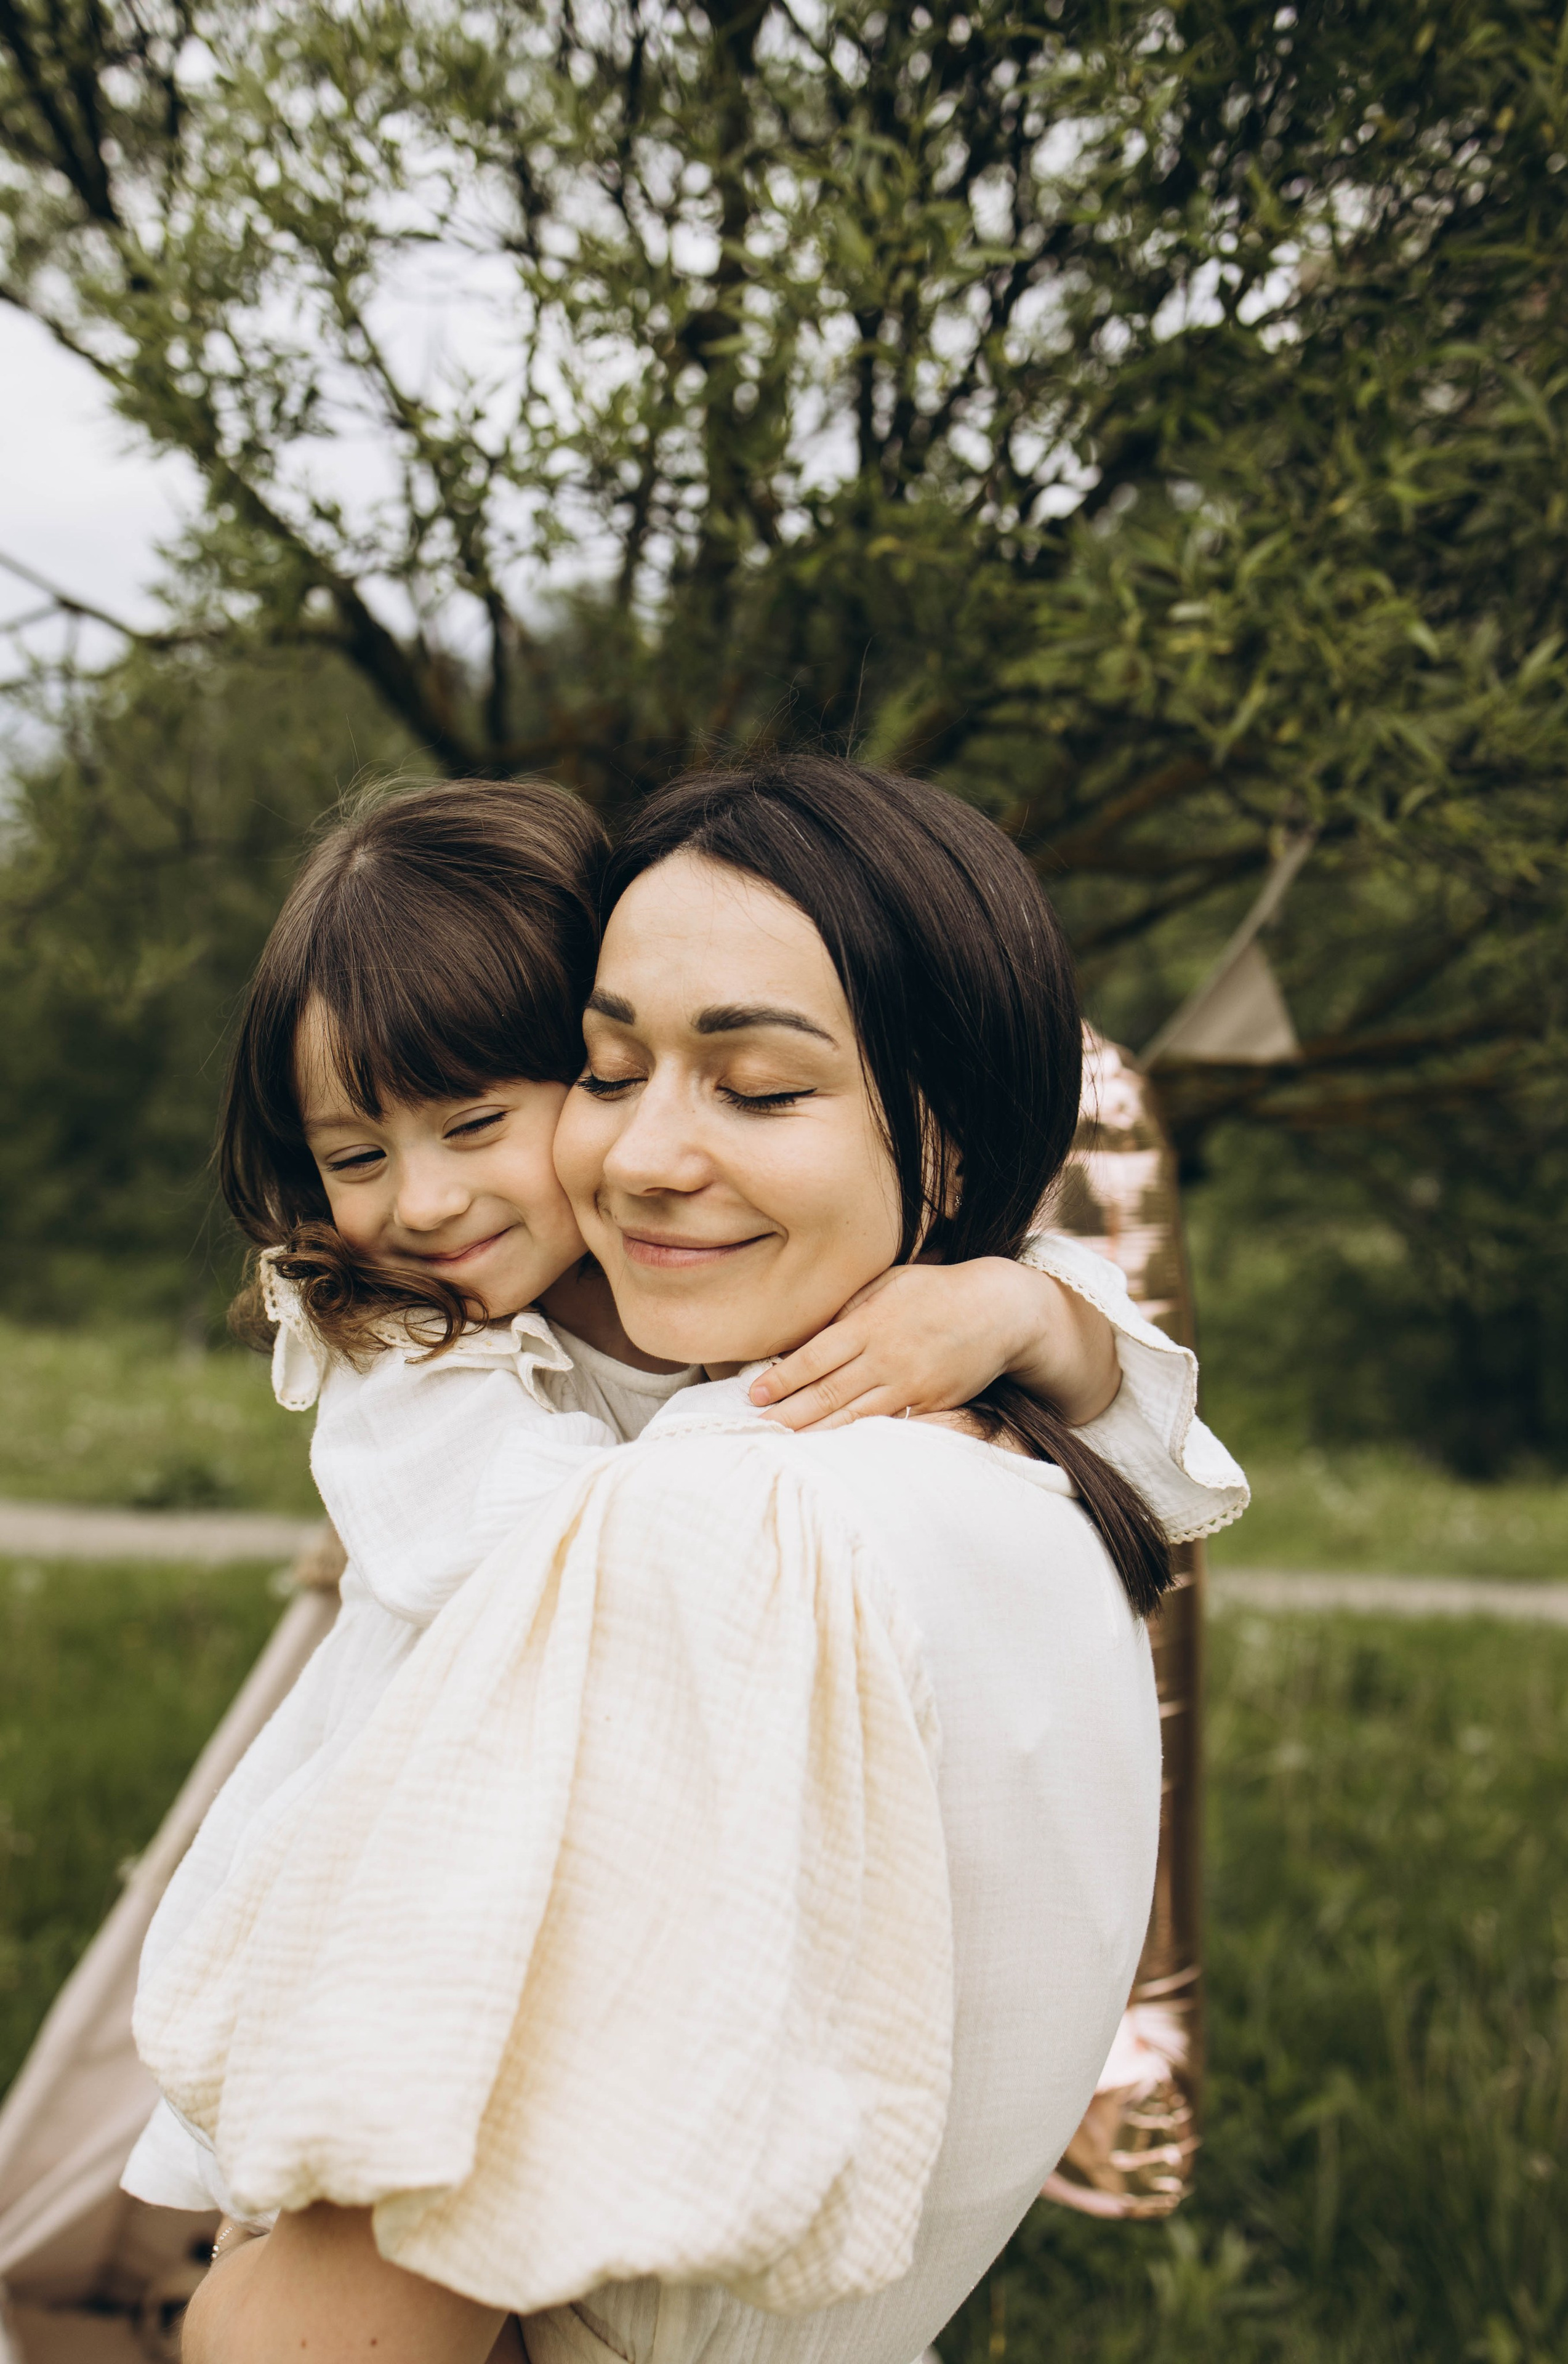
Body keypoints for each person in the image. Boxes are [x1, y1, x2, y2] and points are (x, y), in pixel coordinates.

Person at [136, 757, 1240, 2364]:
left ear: (948, 1142)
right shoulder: (459, 1373)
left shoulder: (770, 1522)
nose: (644, 1156)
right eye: (611, 1070)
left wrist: (1023, 1309)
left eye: (761, 1087)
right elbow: (545, 1574)